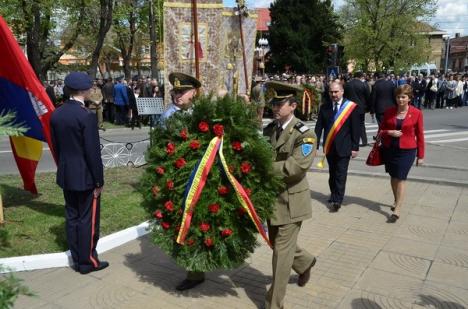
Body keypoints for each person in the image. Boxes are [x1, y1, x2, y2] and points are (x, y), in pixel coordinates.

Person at [263, 81, 317, 309]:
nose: (275, 107)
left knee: (281, 257)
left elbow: (295, 167)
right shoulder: (270, 130)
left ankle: (274, 304)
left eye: (280, 103)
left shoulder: (305, 134)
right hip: (271, 200)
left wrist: (262, 168)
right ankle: (305, 262)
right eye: (273, 103)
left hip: (291, 202)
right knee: (277, 244)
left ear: (293, 105)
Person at [50, 72, 108, 274]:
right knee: (87, 220)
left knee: (72, 217)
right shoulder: (86, 116)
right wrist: (99, 180)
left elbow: (55, 147)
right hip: (85, 177)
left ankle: (77, 257)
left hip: (67, 173)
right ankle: (87, 261)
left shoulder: (57, 114)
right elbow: (92, 153)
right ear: (84, 90)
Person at [161, 72, 203, 291]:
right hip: (176, 178)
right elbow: (159, 147)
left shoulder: (202, 114)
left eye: (182, 91)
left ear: (193, 93)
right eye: (175, 91)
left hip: (200, 177)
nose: (177, 95)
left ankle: (197, 268)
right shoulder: (167, 115)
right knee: (183, 223)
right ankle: (194, 271)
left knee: (198, 223)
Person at [379, 84, 424, 222]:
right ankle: (396, 199)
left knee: (401, 177)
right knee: (393, 177)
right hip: (390, 149)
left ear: (409, 98)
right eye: (398, 97)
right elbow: (380, 131)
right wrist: (389, 132)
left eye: (403, 97)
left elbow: (420, 135)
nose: (400, 100)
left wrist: (420, 155)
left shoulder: (416, 113)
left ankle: (397, 209)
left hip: (407, 150)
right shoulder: (389, 112)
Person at [315, 81, 360, 212]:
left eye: (336, 92)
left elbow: (355, 129)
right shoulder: (324, 107)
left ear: (342, 91)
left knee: (341, 174)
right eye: (331, 92)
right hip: (329, 147)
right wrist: (316, 145)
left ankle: (337, 200)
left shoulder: (351, 107)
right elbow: (319, 127)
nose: (334, 94)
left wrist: (355, 147)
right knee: (332, 174)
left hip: (344, 147)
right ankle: (334, 194)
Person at [344, 72, 371, 146]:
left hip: (349, 107)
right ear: (361, 77)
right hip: (361, 108)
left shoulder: (347, 84)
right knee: (361, 124)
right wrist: (368, 108)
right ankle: (364, 141)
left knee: (350, 124)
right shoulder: (364, 85)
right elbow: (368, 97)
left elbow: (344, 96)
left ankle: (352, 141)